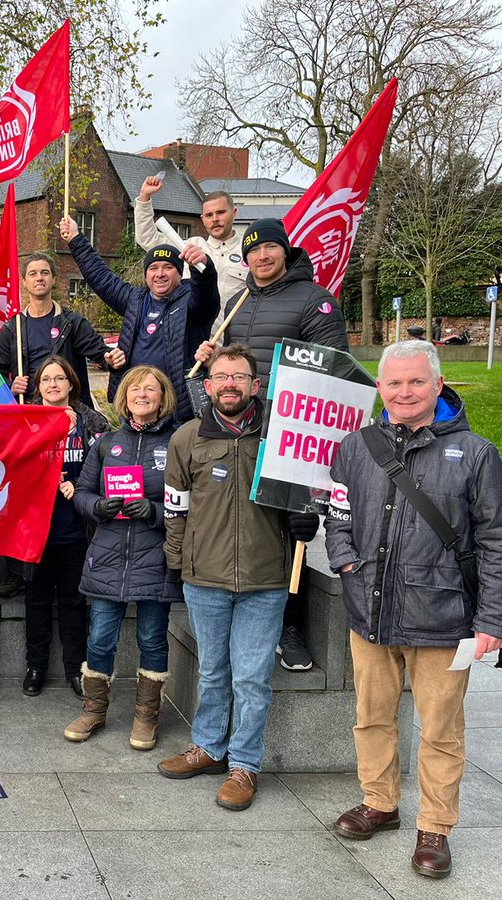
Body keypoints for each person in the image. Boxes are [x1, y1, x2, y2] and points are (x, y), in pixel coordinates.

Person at [325, 340, 502, 879]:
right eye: (394, 382)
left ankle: (435, 826)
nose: (404, 392)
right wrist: (346, 562)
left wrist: (492, 619)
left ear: (438, 384)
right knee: (371, 717)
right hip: (369, 610)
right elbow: (337, 514)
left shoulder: (475, 452)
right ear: (380, 388)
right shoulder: (355, 446)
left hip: (444, 618)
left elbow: (495, 538)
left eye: (416, 382)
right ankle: (380, 802)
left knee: (440, 730)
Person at [159, 344, 317, 811]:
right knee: (212, 672)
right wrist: (176, 561)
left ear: (254, 384)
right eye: (221, 376)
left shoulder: (280, 435)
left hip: (264, 578)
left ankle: (244, 764)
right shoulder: (187, 438)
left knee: (250, 678)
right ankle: (208, 748)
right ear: (207, 386)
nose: (230, 383)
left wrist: (306, 516)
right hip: (203, 577)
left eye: (239, 376)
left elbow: (306, 493)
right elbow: (175, 509)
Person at [195, 217, 350, 674]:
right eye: (253, 251)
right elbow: (227, 362)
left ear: (285, 251)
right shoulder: (236, 300)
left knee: (293, 529)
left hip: (292, 432)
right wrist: (209, 359)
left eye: (270, 249)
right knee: (248, 524)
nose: (262, 257)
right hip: (242, 427)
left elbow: (332, 372)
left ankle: (291, 627)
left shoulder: (316, 301)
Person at [66, 365, 179, 749]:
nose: (142, 395)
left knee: (152, 638)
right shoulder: (106, 442)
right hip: (108, 555)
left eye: (150, 389)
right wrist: (98, 505)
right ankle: (93, 710)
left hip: (155, 556)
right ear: (124, 397)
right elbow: (81, 492)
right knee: (99, 639)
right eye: (135, 389)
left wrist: (155, 512)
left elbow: (191, 501)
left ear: (162, 397)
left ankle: (146, 717)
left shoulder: (177, 442)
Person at [60, 216, 219, 424]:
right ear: (145, 275)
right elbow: (101, 278)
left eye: (168, 267)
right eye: (153, 268)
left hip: (178, 412)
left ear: (180, 273)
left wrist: (204, 267)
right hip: (135, 407)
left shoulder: (192, 302)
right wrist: (75, 238)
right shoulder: (135, 300)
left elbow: (206, 292)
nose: (159, 274)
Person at [22, 356, 109, 699]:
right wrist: (42, 474)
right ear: (38, 386)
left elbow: (106, 469)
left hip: (77, 530)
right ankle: (35, 666)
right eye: (46, 379)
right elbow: (12, 465)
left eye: (60, 379)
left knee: (74, 602)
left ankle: (76, 668)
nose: (53, 385)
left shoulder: (92, 423)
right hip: (37, 531)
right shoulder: (25, 420)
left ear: (72, 384)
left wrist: (80, 484)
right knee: (37, 601)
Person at [0, 252, 120, 408]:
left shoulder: (72, 323)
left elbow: (101, 354)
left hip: (69, 410)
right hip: (30, 411)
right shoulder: (12, 328)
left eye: (45, 273)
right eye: (33, 274)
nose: (39, 278)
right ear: (24, 282)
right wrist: (10, 386)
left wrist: (110, 359)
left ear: (53, 279)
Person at [133, 176, 247, 313]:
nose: (215, 219)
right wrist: (144, 197)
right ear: (203, 219)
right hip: (193, 333)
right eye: (209, 215)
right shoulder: (189, 247)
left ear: (234, 213)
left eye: (221, 213)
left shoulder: (249, 251)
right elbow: (148, 238)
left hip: (234, 333)